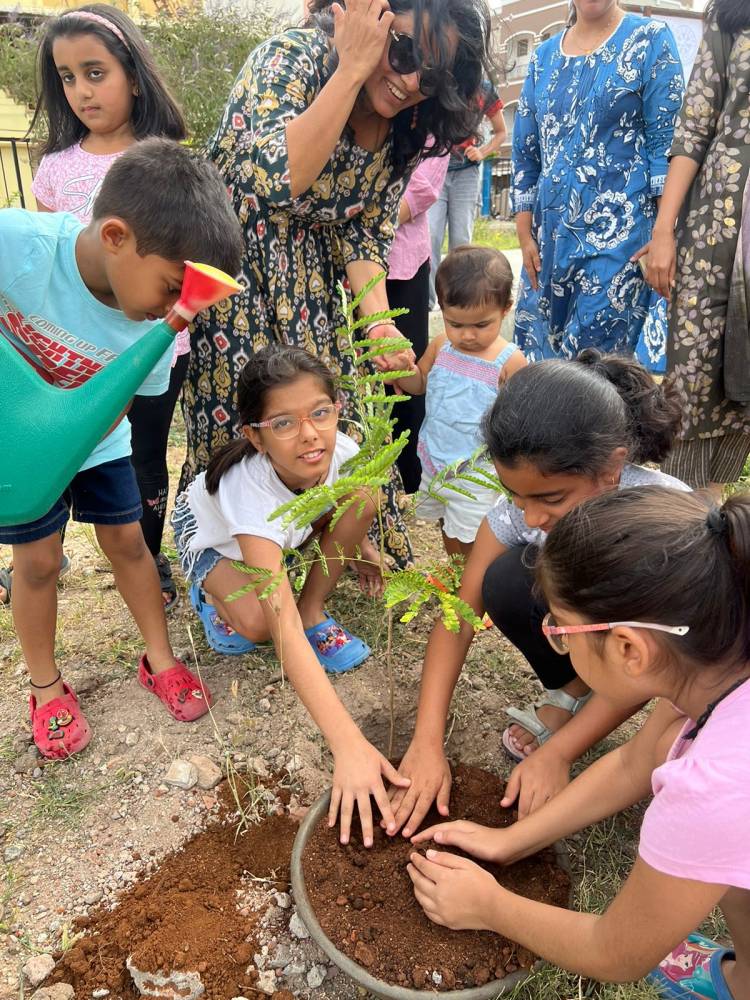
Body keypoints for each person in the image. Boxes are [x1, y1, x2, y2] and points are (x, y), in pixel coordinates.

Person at [180, 0, 494, 572]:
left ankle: (323, 552)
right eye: (400, 50)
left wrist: (379, 326)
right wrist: (352, 69)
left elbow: (366, 229)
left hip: (316, 286)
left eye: (433, 75)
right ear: (365, 20)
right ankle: (236, 563)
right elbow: (280, 178)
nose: (408, 81)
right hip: (239, 278)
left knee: (326, 417)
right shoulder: (289, 62)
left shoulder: (407, 122)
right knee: (251, 419)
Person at [408, 487, 750, 1000]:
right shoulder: (717, 662)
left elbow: (617, 953)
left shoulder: (715, 785)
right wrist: (508, 841)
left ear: (629, 649)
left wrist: (489, 905)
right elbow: (637, 760)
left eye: (561, 630)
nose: (557, 640)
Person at [0, 138, 243, 759]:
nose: (173, 310)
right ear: (115, 236)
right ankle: (46, 686)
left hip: (99, 439)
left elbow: (127, 402)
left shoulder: (157, 331)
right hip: (23, 451)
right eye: (168, 288)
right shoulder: (17, 244)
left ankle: (158, 658)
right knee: (38, 563)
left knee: (130, 544)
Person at [389, 351, 688, 833]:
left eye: (550, 500)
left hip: (662, 651)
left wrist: (560, 753)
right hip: (602, 635)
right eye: (514, 496)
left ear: (611, 468)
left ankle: (581, 696)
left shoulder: (659, 520)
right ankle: (575, 684)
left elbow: (654, 661)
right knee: (503, 579)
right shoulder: (526, 505)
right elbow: (459, 614)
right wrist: (426, 740)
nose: (528, 517)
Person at [172, 344, 410, 847]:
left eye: (320, 413)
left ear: (336, 410)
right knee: (259, 627)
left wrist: (363, 544)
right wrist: (348, 744)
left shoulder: (339, 449)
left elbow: (348, 498)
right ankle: (212, 595)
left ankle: (314, 609)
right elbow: (277, 626)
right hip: (214, 542)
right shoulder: (248, 493)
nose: (309, 434)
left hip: (285, 529)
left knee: (364, 496)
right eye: (283, 423)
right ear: (254, 436)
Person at [15, 4, 189, 612]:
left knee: (143, 459)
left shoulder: (167, 158)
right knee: (69, 446)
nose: (81, 90)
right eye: (67, 77)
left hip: (153, 347)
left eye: (95, 71)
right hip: (73, 354)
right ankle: (39, 544)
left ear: (133, 74)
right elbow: (47, 263)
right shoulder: (56, 169)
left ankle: (145, 551)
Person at [511, 0, 683, 362]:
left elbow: (665, 148)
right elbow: (526, 151)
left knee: (601, 379)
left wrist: (664, 233)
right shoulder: (542, 58)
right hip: (548, 246)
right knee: (542, 377)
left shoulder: (650, 39)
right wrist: (524, 232)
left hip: (619, 246)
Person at [634, 0, 750, 499]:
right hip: (717, 232)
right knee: (698, 379)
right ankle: (699, 535)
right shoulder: (731, 16)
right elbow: (695, 127)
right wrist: (665, 232)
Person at [395, 245, 526, 557]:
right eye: (456, 324)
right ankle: (454, 577)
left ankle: (471, 587)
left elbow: (520, 419)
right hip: (435, 457)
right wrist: (403, 371)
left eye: (481, 325)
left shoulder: (509, 361)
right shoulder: (441, 346)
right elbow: (419, 385)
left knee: (472, 535)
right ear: (442, 309)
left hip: (478, 470)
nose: (467, 335)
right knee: (445, 522)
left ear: (505, 308)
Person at [386, 152, 450, 494]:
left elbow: (422, 189)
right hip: (342, 264)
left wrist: (367, 221)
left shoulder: (434, 126)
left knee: (402, 365)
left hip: (402, 264)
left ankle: (408, 478)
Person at [427, 79, 506, 310]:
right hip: (435, 170)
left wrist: (482, 151)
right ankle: (430, 303)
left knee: (461, 241)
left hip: (466, 174)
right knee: (430, 237)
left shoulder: (485, 88)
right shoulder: (439, 80)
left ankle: (458, 300)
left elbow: (501, 132)